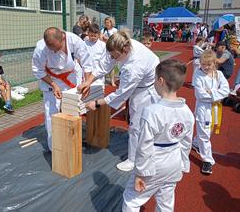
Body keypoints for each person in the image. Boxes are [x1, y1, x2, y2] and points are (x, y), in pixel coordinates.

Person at [79, 30, 160, 171]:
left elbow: (121, 94)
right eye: (111, 55)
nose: (112, 58)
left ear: (125, 49)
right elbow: (104, 65)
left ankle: (133, 160)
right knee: (140, 123)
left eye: (114, 56)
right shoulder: (120, 44)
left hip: (147, 89)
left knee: (137, 125)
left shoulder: (135, 66)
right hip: (140, 83)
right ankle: (145, 150)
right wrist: (88, 81)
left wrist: (96, 103)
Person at [122, 59, 194, 212]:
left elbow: (144, 146)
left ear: (160, 81)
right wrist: (182, 165)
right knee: (166, 202)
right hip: (173, 162)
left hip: (154, 163)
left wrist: (141, 173)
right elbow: (186, 143)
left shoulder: (152, 111)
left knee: (132, 199)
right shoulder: (188, 112)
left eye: (155, 79)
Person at [32, 27, 93, 151]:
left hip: (70, 76)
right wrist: (53, 85)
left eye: (57, 47)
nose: (54, 51)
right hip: (50, 78)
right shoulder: (40, 48)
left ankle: (72, 142)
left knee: (72, 109)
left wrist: (87, 82)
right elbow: (37, 69)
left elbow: (87, 63)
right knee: (51, 113)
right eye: (51, 48)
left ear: (63, 38)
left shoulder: (75, 41)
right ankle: (55, 148)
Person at [192, 50, 229, 174]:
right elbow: (200, 94)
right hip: (203, 108)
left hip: (215, 108)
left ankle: (196, 142)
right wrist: (216, 93)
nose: (206, 67)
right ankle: (207, 160)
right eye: (203, 64)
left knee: (210, 130)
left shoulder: (219, 74)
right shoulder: (198, 74)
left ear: (214, 63)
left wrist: (211, 92)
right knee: (205, 135)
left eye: (209, 64)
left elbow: (226, 90)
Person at [101, 17, 118, 87]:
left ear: (111, 23)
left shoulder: (115, 30)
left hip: (111, 49)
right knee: (103, 64)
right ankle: (103, 80)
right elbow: (100, 38)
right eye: (105, 23)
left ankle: (112, 81)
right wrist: (104, 38)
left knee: (112, 66)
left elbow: (116, 39)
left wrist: (107, 39)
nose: (106, 24)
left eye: (108, 22)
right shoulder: (103, 30)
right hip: (104, 49)